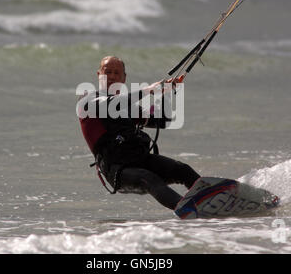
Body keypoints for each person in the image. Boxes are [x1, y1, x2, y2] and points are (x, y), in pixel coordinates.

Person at [77, 56, 201, 210]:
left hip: (139, 159)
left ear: (124, 78)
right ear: (99, 75)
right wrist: (150, 89)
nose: (112, 76)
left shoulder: (128, 108)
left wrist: (166, 92)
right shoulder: (87, 101)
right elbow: (111, 104)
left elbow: (162, 120)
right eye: (107, 72)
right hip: (117, 170)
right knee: (149, 178)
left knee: (182, 170)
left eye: (117, 73)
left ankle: (213, 197)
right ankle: (190, 210)